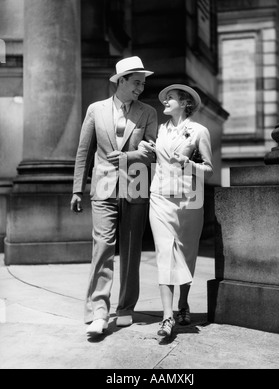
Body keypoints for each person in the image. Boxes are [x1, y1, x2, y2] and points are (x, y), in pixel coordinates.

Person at [70, 56, 158, 338]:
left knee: (132, 250)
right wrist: (76, 189)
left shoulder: (148, 112)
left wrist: (127, 156)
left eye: (143, 83)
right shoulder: (95, 110)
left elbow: (152, 152)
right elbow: (84, 151)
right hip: (103, 187)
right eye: (136, 82)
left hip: (136, 186)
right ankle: (98, 311)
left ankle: (125, 308)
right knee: (103, 247)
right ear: (120, 81)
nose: (140, 88)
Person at [147, 84, 213, 337]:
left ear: (185, 103)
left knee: (186, 254)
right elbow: (156, 156)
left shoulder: (199, 131)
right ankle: (167, 317)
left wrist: (188, 163)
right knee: (165, 253)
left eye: (170, 98)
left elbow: (209, 168)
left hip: (189, 200)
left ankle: (183, 303)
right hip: (160, 197)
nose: (164, 100)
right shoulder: (159, 129)